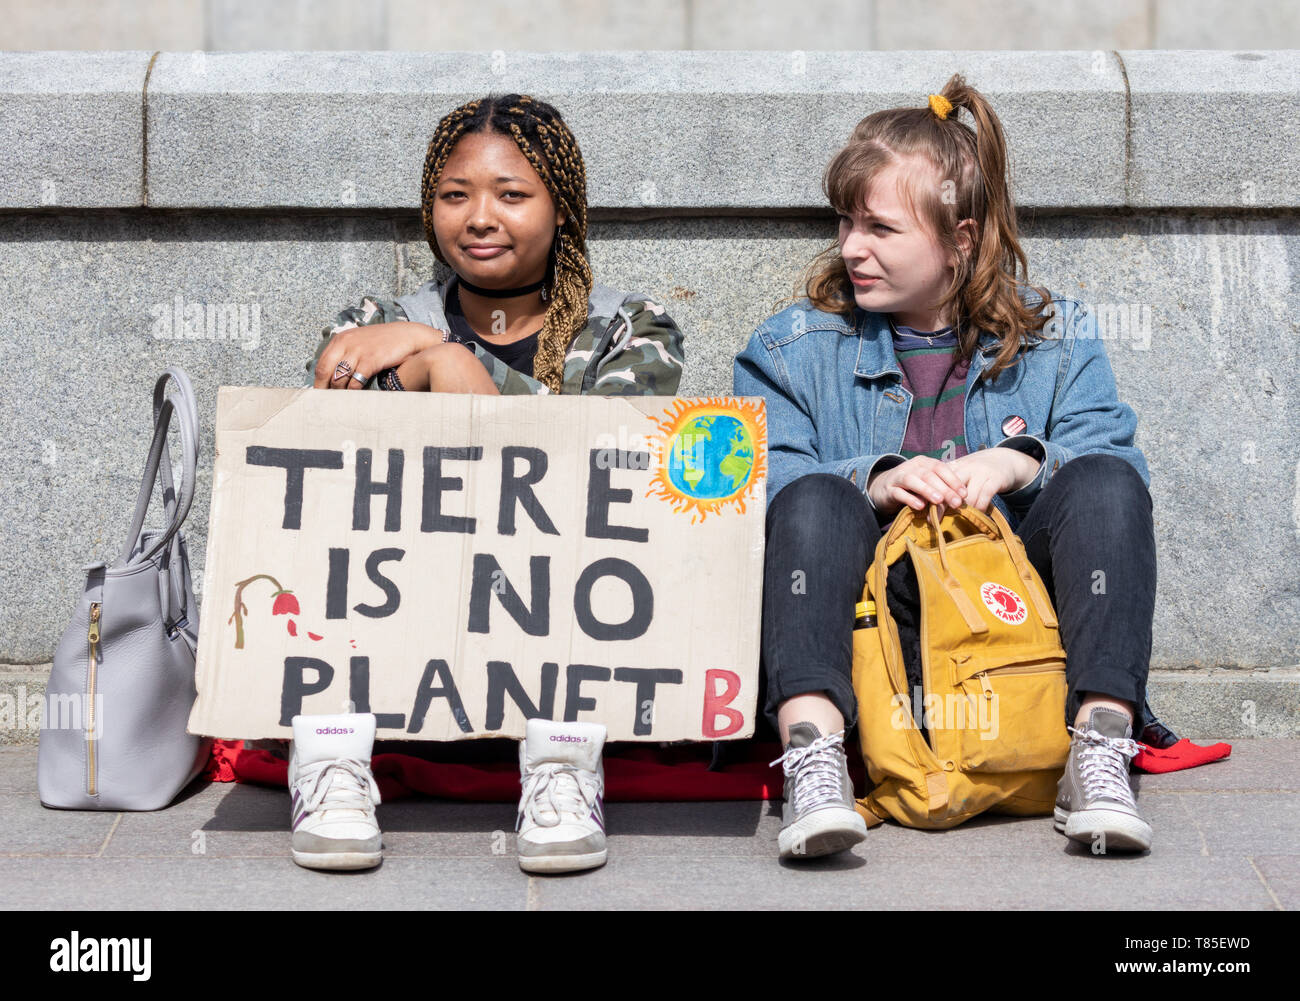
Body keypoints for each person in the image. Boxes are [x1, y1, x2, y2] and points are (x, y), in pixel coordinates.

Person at [733, 76, 1157, 860]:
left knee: (1107, 480)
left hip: (1002, 620)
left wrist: (1020, 460)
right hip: (874, 621)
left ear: (961, 240)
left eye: (881, 228)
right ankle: (815, 755)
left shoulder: (1058, 338)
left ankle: (1099, 747)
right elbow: (754, 481)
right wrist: (875, 479)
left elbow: (1111, 459)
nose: (851, 246)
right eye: (847, 222)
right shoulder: (790, 346)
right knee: (809, 494)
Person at [289, 93, 684, 874]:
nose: (479, 217)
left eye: (512, 195)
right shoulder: (377, 318)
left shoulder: (630, 330)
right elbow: (327, 445)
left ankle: (561, 769)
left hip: (554, 608)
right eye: (454, 194)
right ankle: (332, 762)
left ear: (562, 210)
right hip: (407, 597)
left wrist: (450, 365)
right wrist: (428, 344)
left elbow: (598, 470)